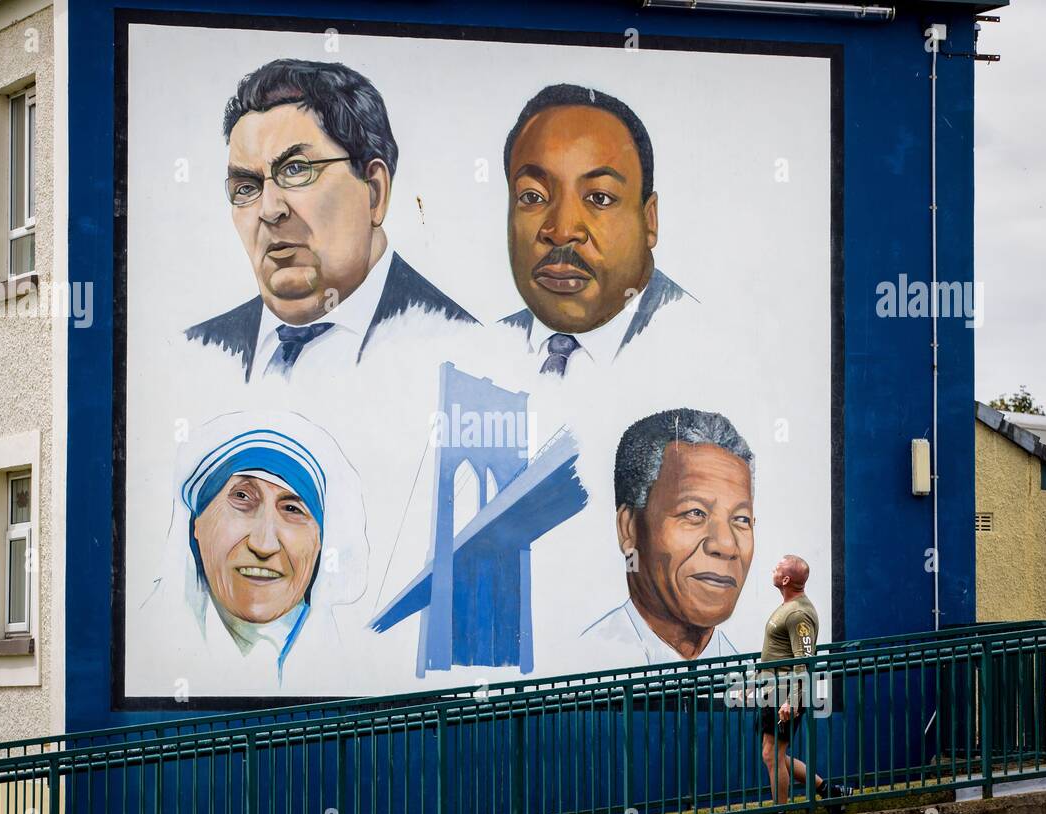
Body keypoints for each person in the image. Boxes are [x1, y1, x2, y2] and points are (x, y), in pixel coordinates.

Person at [186, 59, 476, 380]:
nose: (269, 210)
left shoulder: (464, 351)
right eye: (246, 186)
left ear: (374, 192)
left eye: (296, 169)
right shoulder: (196, 351)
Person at [136, 411, 369, 697]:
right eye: (242, 498)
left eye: (293, 509)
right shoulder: (144, 643)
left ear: (321, 541)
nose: (264, 544)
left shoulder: (347, 675)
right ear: (197, 522)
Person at [499, 84, 696, 377]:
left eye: (599, 198)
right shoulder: (476, 347)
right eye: (532, 197)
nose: (562, 231)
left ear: (649, 220)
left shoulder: (705, 348)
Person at [581, 409, 751, 664]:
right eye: (695, 513)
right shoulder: (589, 664)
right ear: (628, 528)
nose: (726, 545)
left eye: (741, 519)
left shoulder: (753, 684)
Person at [758, 554, 848, 814]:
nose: (773, 568)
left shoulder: (798, 613)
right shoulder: (790, 606)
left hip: (784, 693)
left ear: (786, 579)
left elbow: (804, 662)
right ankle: (829, 791)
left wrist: (793, 701)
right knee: (773, 754)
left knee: (772, 754)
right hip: (774, 690)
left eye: (777, 567)